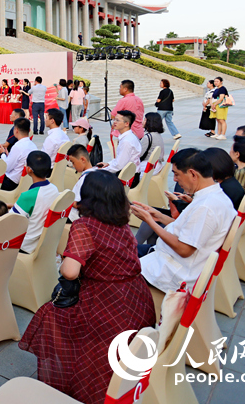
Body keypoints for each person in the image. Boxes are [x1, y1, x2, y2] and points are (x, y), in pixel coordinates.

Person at [20, 171, 156, 404]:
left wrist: (65, 258)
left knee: (51, 316)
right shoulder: (121, 223)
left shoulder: (86, 225)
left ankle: (74, 378)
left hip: (105, 302)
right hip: (137, 300)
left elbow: (70, 272)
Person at [132, 148, 235, 291]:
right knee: (121, 250)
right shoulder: (215, 197)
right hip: (167, 256)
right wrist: (159, 217)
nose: (174, 179)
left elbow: (184, 249)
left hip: (174, 271)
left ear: (193, 174)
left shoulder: (206, 207)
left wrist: (150, 221)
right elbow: (189, 230)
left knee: (111, 261)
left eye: (176, 174)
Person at [10, 151, 59, 254]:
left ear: (29, 169)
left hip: (25, 245)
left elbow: (11, 221)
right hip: (44, 241)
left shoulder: (28, 196)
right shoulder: (54, 189)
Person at [0, 117, 37, 191]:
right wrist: (8, 156)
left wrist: (3, 153)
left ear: (16, 130)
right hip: (24, 180)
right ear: (29, 130)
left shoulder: (18, 146)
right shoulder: (33, 145)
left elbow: (6, 168)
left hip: (11, 183)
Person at [97, 110, 141, 181]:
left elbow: (119, 165)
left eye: (117, 120)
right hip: (128, 174)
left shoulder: (126, 141)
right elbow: (120, 160)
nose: (114, 122)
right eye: (114, 119)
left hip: (127, 178)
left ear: (126, 123)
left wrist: (102, 170)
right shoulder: (128, 136)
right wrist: (108, 164)